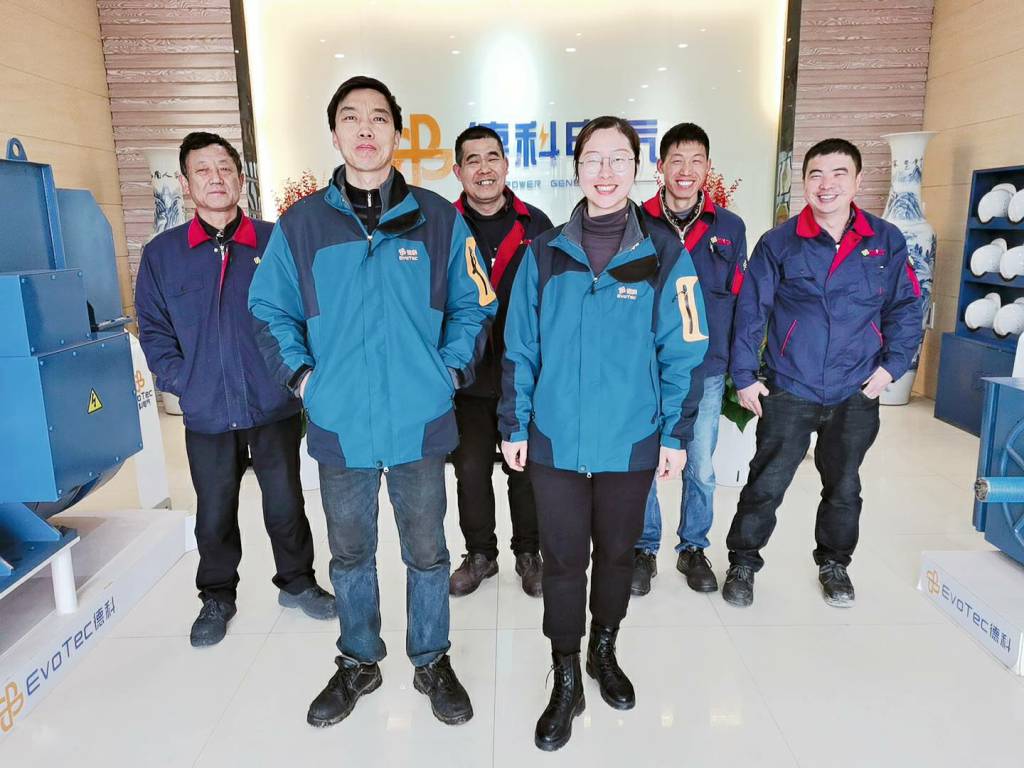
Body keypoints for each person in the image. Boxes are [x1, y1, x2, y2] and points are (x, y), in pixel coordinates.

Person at [248, 76, 497, 728]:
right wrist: (305, 380)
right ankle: (359, 658)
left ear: (397, 132)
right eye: (352, 118)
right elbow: (269, 308)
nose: (366, 129)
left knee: (428, 553)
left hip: (420, 421)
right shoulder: (301, 226)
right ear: (335, 134)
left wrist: (446, 371)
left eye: (379, 118)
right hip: (341, 424)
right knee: (350, 555)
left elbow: (476, 303)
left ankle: (431, 659)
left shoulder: (439, 219)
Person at [500, 116, 708, 751]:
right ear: (577, 169)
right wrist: (515, 422)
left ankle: (604, 650)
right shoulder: (543, 253)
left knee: (617, 555)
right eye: (593, 158)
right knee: (564, 559)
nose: (606, 171)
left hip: (631, 439)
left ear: (637, 169)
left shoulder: (665, 256)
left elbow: (684, 351)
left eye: (619, 158)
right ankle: (565, 672)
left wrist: (674, 434)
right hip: (555, 440)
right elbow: (520, 347)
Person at [135, 131, 336, 649]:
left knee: (286, 502)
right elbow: (154, 329)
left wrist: (297, 375)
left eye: (225, 168)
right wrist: (183, 382)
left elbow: (306, 312)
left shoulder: (275, 242)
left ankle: (298, 582)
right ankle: (217, 596)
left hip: (272, 402)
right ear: (186, 184)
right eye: (202, 171)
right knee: (215, 509)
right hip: (206, 408)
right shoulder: (163, 255)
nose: (216, 178)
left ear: (241, 178)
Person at [724, 137, 923, 608]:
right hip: (790, 385)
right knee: (766, 482)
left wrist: (892, 367)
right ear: (804, 182)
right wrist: (745, 376)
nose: (826, 184)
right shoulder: (779, 243)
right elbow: (751, 311)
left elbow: (907, 307)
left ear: (857, 181)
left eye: (838, 174)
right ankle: (742, 562)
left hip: (856, 389)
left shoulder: (885, 240)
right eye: (816, 174)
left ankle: (834, 563)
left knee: (844, 485)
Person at [631, 122, 749, 596]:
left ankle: (693, 547)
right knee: (645, 462)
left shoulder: (730, 228)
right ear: (660, 167)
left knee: (700, 465)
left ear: (707, 167)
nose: (685, 170)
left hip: (708, 369)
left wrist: (743, 369)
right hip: (647, 370)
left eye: (695, 161)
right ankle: (643, 547)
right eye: (676, 160)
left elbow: (741, 301)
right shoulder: (636, 222)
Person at [448, 125, 553, 598]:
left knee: (524, 468)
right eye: (473, 160)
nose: (484, 168)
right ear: (458, 171)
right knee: (470, 469)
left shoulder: (537, 225)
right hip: (466, 377)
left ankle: (528, 553)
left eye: (492, 157)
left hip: (523, 375)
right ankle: (480, 554)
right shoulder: (444, 225)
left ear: (507, 166)